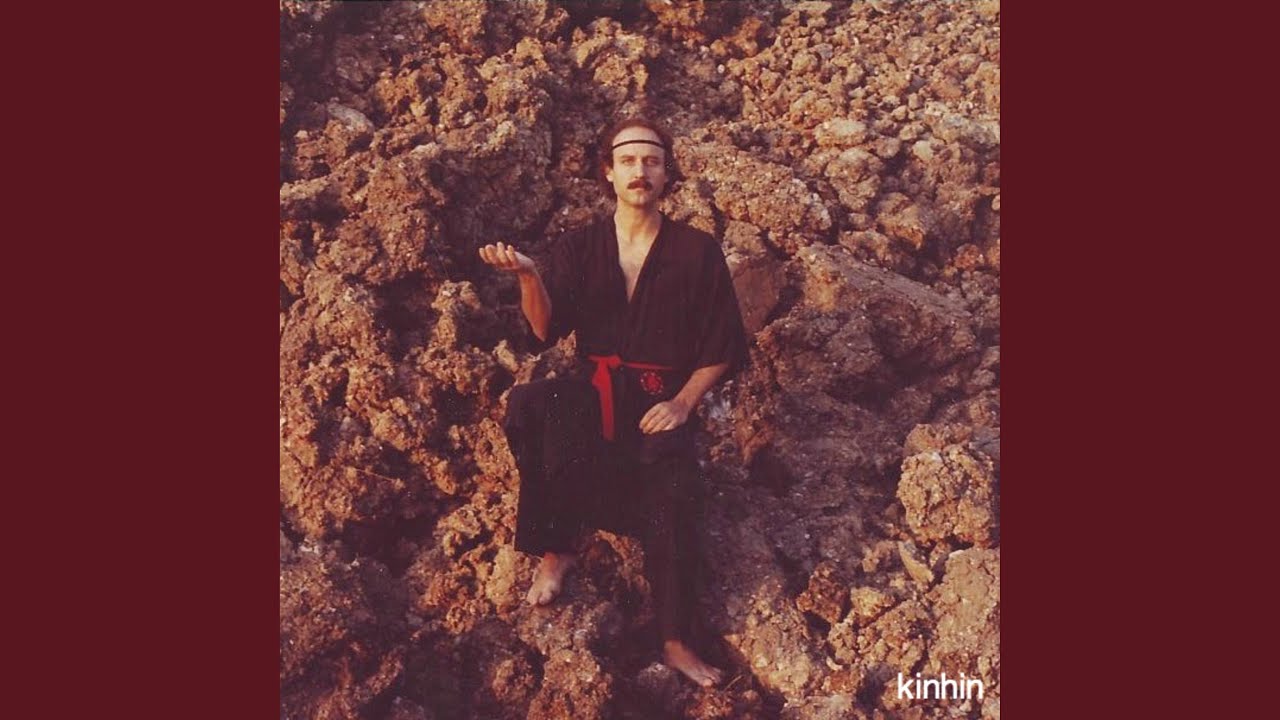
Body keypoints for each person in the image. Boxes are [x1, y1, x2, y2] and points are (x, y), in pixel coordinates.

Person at [478, 117, 747, 688]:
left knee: (675, 496)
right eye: (627, 160)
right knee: (534, 404)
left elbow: (723, 344)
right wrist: (528, 276)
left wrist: (684, 403)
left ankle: (675, 640)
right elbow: (545, 331)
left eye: (651, 160)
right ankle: (558, 546)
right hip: (596, 393)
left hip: (657, 402)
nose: (639, 171)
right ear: (608, 172)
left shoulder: (696, 251)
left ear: (666, 173)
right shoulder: (579, 247)